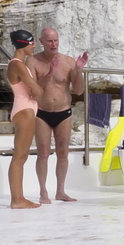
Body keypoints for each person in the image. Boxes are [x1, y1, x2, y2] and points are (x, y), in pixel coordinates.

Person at [30, 27, 89, 204]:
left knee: (63, 152)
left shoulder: (68, 61)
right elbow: (33, 90)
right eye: (49, 41)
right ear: (41, 42)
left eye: (56, 40)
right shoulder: (33, 61)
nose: (53, 44)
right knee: (43, 153)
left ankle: (61, 191)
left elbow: (79, 90)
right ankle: (43, 191)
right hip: (42, 112)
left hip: (63, 111)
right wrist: (48, 74)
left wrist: (78, 70)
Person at [6, 30, 43, 209]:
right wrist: (38, 89)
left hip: (26, 110)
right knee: (19, 157)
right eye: (32, 43)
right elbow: (37, 91)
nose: (34, 46)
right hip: (25, 111)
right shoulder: (17, 64)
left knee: (22, 156)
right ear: (24, 44)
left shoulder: (20, 64)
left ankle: (18, 198)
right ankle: (17, 200)